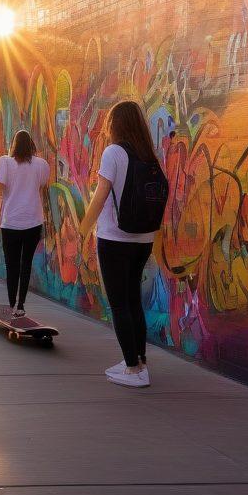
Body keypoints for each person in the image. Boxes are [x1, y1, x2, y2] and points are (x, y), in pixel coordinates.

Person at [78, 100, 166, 389]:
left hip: (115, 238)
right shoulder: (148, 155)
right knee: (132, 301)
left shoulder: (113, 152)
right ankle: (139, 361)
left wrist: (82, 228)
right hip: (143, 239)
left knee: (119, 303)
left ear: (115, 124)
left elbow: (101, 194)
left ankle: (133, 370)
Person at [0, 130, 51, 318]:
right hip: (33, 221)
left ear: (14, 145)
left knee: (12, 264)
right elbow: (41, 185)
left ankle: (10, 303)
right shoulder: (42, 164)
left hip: (11, 223)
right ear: (31, 145)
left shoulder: (5, 162)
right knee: (26, 264)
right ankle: (21, 305)